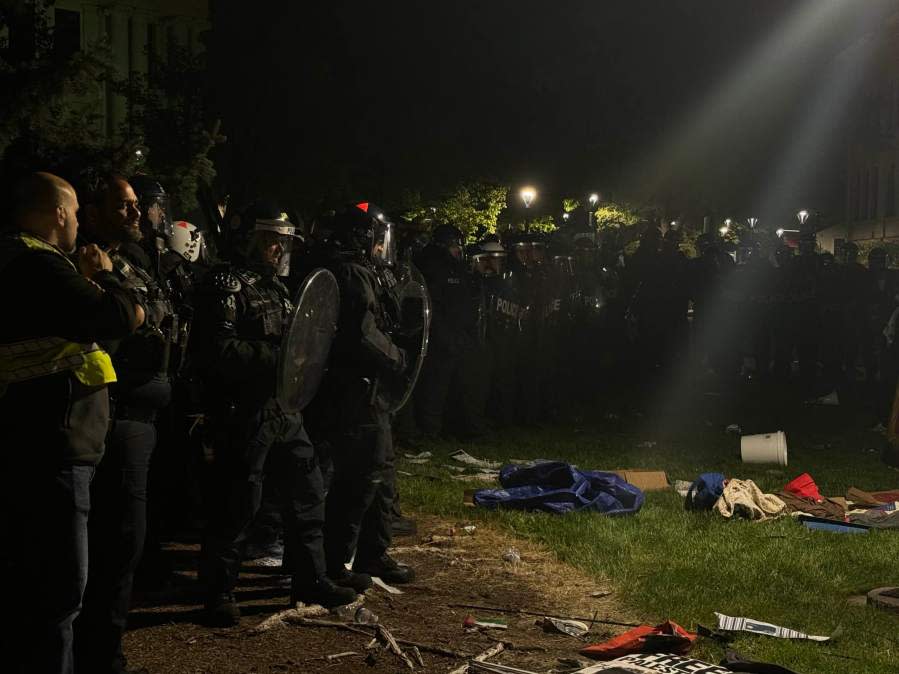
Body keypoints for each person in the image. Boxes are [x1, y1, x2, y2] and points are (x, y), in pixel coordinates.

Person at [0, 172, 143, 674]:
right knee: (57, 598)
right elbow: (121, 316)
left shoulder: (14, 262)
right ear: (57, 213)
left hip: (31, 441)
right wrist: (103, 275)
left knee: (32, 593)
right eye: (77, 210)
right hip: (52, 448)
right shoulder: (37, 265)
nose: (82, 220)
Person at [193, 201, 357, 626]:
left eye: (283, 241)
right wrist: (279, 358)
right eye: (270, 240)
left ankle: (311, 579)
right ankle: (218, 591)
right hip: (244, 412)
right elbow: (217, 351)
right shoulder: (226, 284)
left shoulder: (280, 290)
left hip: (285, 408)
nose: (278, 249)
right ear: (249, 239)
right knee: (237, 504)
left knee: (307, 495)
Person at [73, 174, 177, 674]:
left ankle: (103, 647)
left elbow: (154, 314)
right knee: (111, 543)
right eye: (123, 205)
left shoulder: (132, 260)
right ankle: (97, 656)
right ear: (90, 213)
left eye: (137, 205)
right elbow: (118, 323)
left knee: (125, 545)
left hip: (142, 416)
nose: (135, 214)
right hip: (109, 418)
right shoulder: (82, 262)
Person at [311, 202, 415, 585]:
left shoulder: (358, 270)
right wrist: (397, 358)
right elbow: (362, 333)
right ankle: (338, 562)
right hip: (356, 391)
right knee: (359, 478)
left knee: (380, 472)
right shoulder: (352, 273)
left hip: (369, 392)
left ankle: (374, 551)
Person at [412, 223, 477, 437]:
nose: (459, 249)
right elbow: (436, 305)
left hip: (454, 334)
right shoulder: (434, 267)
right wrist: (445, 336)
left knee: (454, 384)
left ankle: (449, 427)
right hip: (441, 337)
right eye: (455, 245)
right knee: (435, 385)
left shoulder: (453, 266)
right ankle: (430, 430)